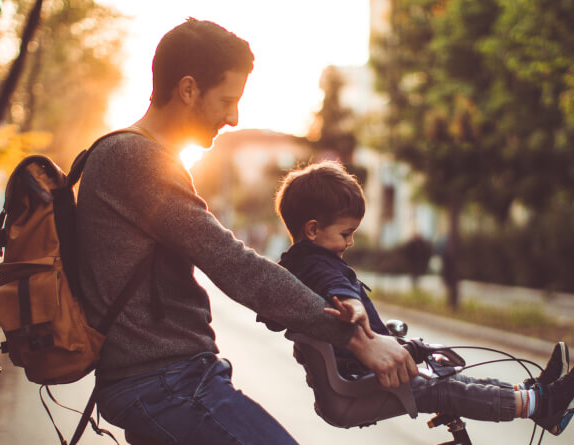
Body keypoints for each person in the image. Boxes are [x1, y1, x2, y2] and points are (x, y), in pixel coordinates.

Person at [75, 19, 418, 445]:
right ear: (187, 89)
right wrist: (356, 338)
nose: (234, 118)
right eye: (227, 100)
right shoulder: (136, 159)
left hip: (169, 379)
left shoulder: (141, 156)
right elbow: (233, 263)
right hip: (164, 384)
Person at [270, 160, 574, 436]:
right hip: (358, 383)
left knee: (452, 380)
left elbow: (276, 313)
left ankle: (532, 392)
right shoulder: (318, 264)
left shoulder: (295, 265)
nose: (351, 242)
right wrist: (353, 307)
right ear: (313, 230)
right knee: (448, 389)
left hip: (358, 377)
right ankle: (541, 405)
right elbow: (337, 288)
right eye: (346, 233)